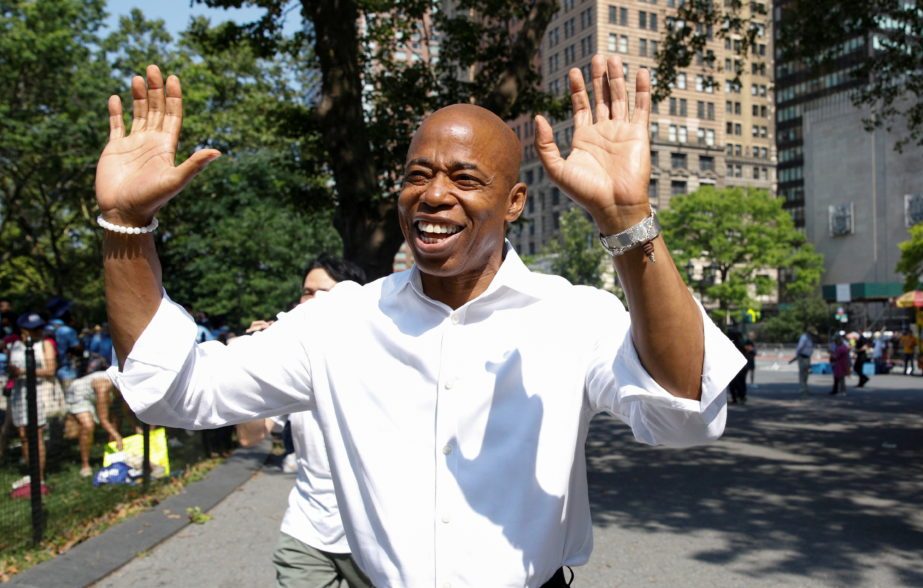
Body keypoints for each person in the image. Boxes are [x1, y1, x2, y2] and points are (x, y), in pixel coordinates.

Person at [97, 56, 744, 586]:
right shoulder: (337, 323)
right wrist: (125, 226)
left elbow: (683, 409)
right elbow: (173, 389)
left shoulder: (572, 316)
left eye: (465, 178)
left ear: (514, 201)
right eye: (417, 175)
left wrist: (626, 219)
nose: (434, 195)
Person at [238, 255, 371, 588]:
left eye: (321, 292)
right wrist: (254, 367)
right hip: (307, 531)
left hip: (374, 537)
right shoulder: (292, 367)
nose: (309, 302)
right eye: (305, 292)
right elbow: (250, 437)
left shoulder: (380, 363)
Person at [8, 312, 59, 491]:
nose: (38, 331)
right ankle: (31, 474)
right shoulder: (14, 345)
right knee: (23, 435)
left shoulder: (45, 344)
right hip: (19, 393)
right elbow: (12, 367)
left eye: (39, 328)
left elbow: (50, 370)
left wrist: (24, 371)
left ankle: (40, 477)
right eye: (33, 329)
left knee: (35, 434)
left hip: (38, 391)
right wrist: (15, 371)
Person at [66, 369, 124, 477]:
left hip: (98, 395)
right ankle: (85, 465)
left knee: (116, 420)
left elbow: (127, 413)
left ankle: (114, 459)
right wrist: (117, 436)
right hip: (80, 395)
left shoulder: (124, 386)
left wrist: (138, 430)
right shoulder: (103, 386)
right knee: (88, 425)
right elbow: (103, 420)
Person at [791, 328, 815, 396]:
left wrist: (797, 354)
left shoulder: (807, 337)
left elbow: (800, 346)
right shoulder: (806, 337)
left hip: (805, 356)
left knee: (804, 373)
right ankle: (803, 389)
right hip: (803, 356)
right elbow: (800, 347)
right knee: (804, 373)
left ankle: (804, 388)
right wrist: (797, 354)